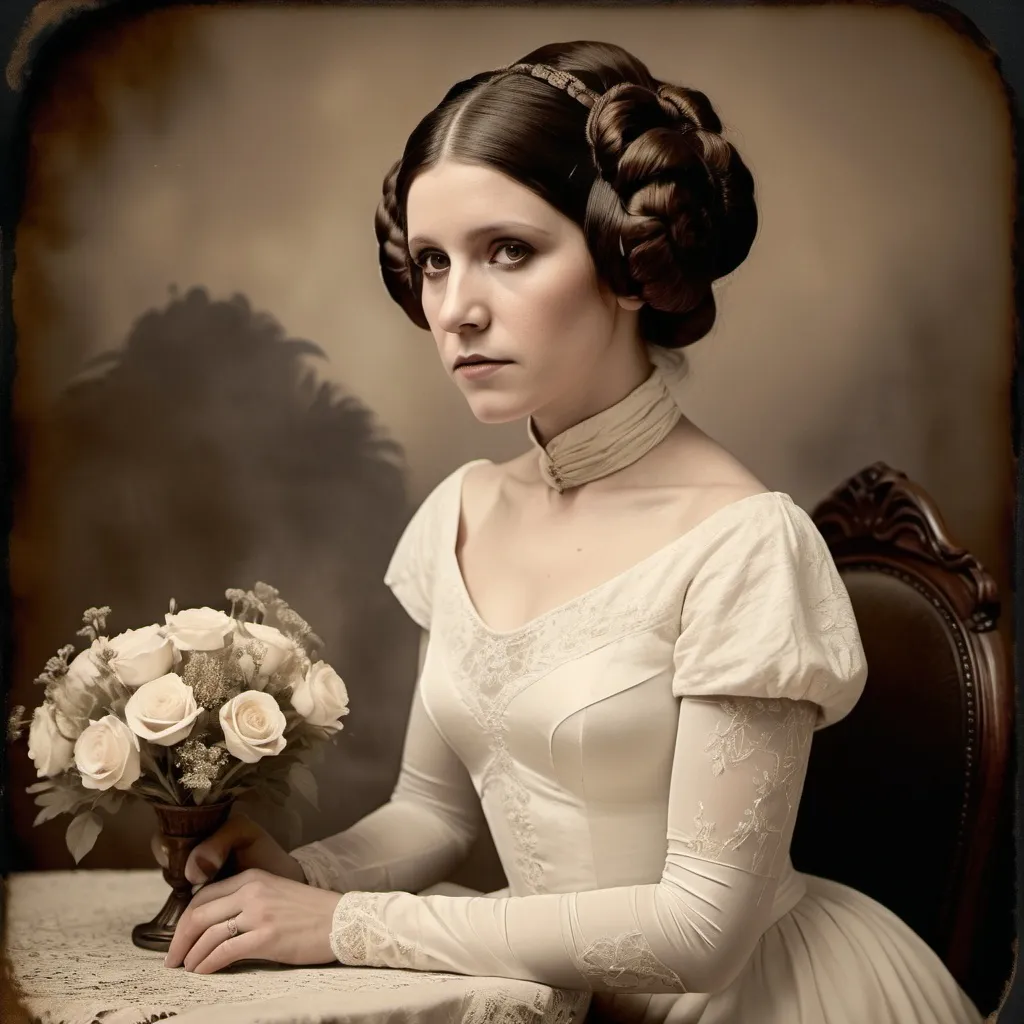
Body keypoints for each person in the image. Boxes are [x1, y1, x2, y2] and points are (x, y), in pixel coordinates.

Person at [162, 40, 983, 1023]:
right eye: (433, 262)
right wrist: (303, 870)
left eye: (508, 250)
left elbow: (702, 928)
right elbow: (432, 813)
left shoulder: (742, 541)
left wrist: (343, 924)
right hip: (548, 995)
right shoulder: (461, 511)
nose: (455, 309)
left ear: (627, 261)